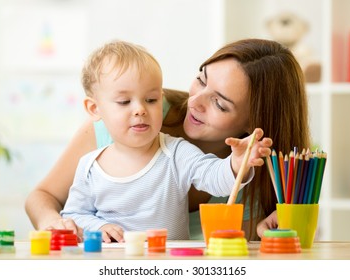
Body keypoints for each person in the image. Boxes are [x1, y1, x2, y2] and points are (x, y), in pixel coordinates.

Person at [25, 38, 310, 241]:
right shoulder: (115, 125)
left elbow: (218, 181)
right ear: (96, 108)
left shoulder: (188, 155)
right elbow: (62, 206)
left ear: (253, 125)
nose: (195, 101)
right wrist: (67, 224)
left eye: (220, 104)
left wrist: (267, 233)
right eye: (201, 78)